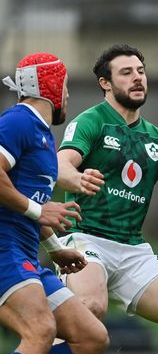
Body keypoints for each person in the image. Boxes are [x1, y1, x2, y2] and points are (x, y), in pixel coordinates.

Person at [56, 44, 158, 354]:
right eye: (126, 73)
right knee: (91, 308)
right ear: (105, 83)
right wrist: (77, 178)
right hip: (85, 238)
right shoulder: (92, 121)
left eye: (141, 72)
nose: (138, 78)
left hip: (132, 250)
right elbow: (60, 165)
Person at [0, 53, 109, 354]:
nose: (68, 94)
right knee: (40, 331)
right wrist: (39, 211)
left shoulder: (44, 135)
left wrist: (55, 249)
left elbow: (30, 200)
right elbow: (34, 206)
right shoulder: (19, 119)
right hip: (4, 249)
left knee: (91, 337)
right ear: (50, 85)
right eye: (66, 85)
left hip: (24, 252)